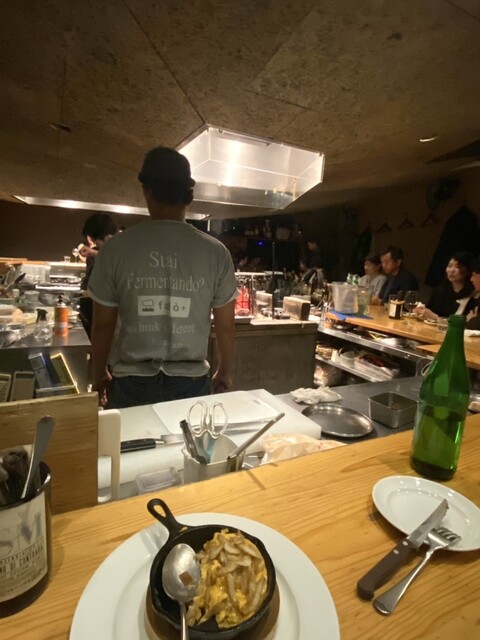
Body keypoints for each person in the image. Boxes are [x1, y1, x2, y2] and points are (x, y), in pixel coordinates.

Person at [88, 146, 238, 408]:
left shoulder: (114, 250)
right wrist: (224, 371)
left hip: (131, 382)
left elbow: (103, 325)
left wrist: (98, 373)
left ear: (146, 190)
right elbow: (225, 325)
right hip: (191, 382)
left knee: (130, 438)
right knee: (191, 438)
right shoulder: (216, 252)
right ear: (189, 195)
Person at [78, 213, 118, 337]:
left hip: (106, 310)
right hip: (92, 303)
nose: (95, 244)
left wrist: (93, 253)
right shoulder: (98, 251)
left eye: (96, 241)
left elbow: (115, 259)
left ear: (107, 237)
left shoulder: (122, 249)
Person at [414, 251, 474, 321]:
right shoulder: (440, 290)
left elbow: (463, 324)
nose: (451, 270)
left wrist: (435, 317)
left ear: (468, 271)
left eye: (458, 267)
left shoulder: (472, 296)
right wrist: (421, 311)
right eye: (450, 266)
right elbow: (429, 311)